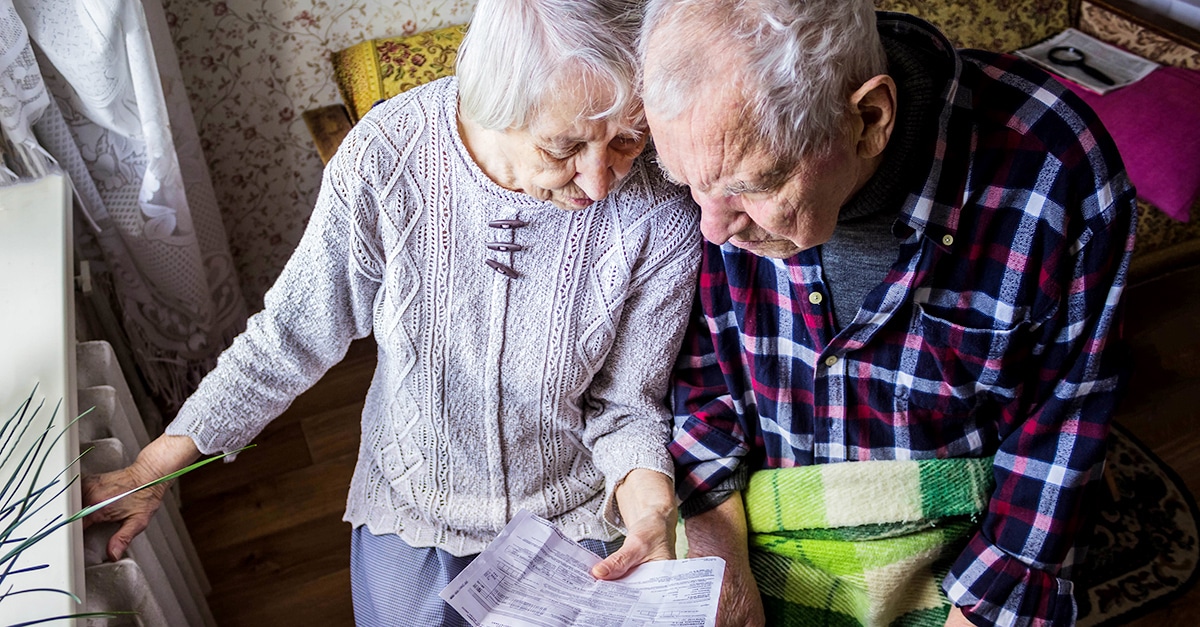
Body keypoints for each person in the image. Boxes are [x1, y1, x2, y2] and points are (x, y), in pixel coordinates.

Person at [82, 0, 701, 623]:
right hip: (413, 503)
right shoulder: (387, 158)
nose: (599, 182)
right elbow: (291, 335)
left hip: (572, 511)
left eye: (627, 139)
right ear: (497, 103)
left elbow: (625, 404)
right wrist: (152, 468)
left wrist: (651, 511)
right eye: (563, 147)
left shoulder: (661, 209)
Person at [640, 1, 1136, 626]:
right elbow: (703, 376)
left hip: (959, 558)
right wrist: (721, 567)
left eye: (750, 186)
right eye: (688, 183)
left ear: (870, 119)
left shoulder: (1056, 171)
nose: (712, 229)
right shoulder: (712, 154)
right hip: (757, 528)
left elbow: (1062, 433)